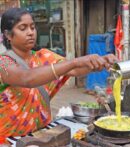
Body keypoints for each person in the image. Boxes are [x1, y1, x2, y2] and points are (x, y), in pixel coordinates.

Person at [0, 8, 117, 138]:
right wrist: (75, 61)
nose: (30, 33)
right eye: (23, 28)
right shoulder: (3, 63)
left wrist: (99, 62)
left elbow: (74, 70)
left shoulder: (44, 56)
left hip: (41, 136)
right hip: (8, 140)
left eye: (32, 27)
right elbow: (26, 78)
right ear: (8, 35)